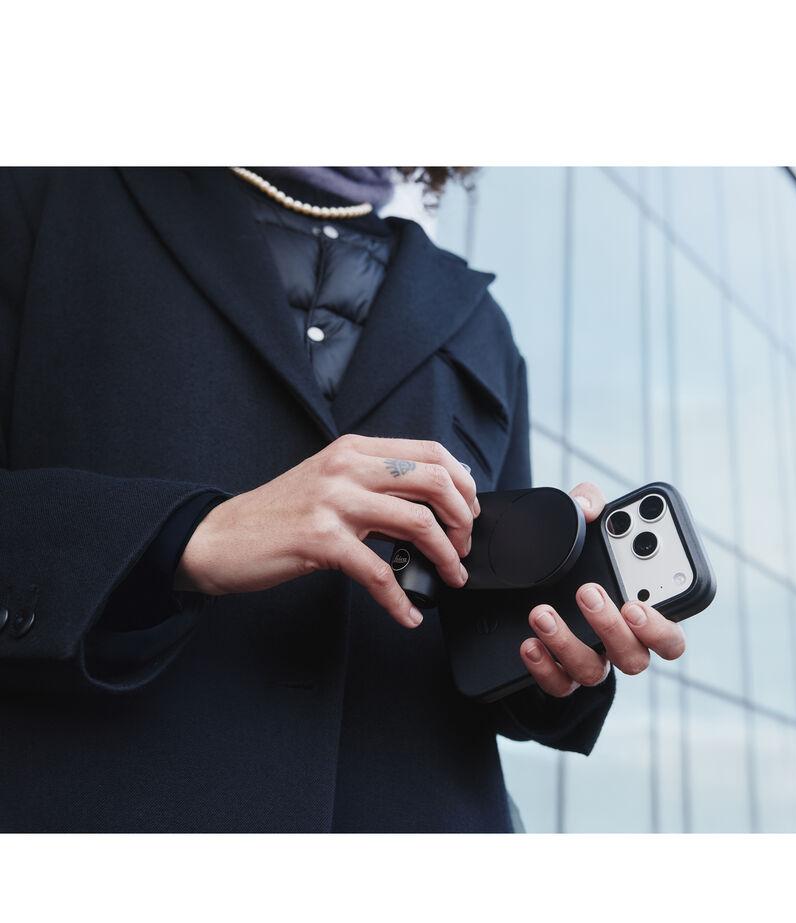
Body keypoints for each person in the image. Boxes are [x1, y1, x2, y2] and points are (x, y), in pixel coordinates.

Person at [0, 167, 686, 832]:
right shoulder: (50, 194)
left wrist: (559, 653)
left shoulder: (481, 322)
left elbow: (478, 632)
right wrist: (196, 537)